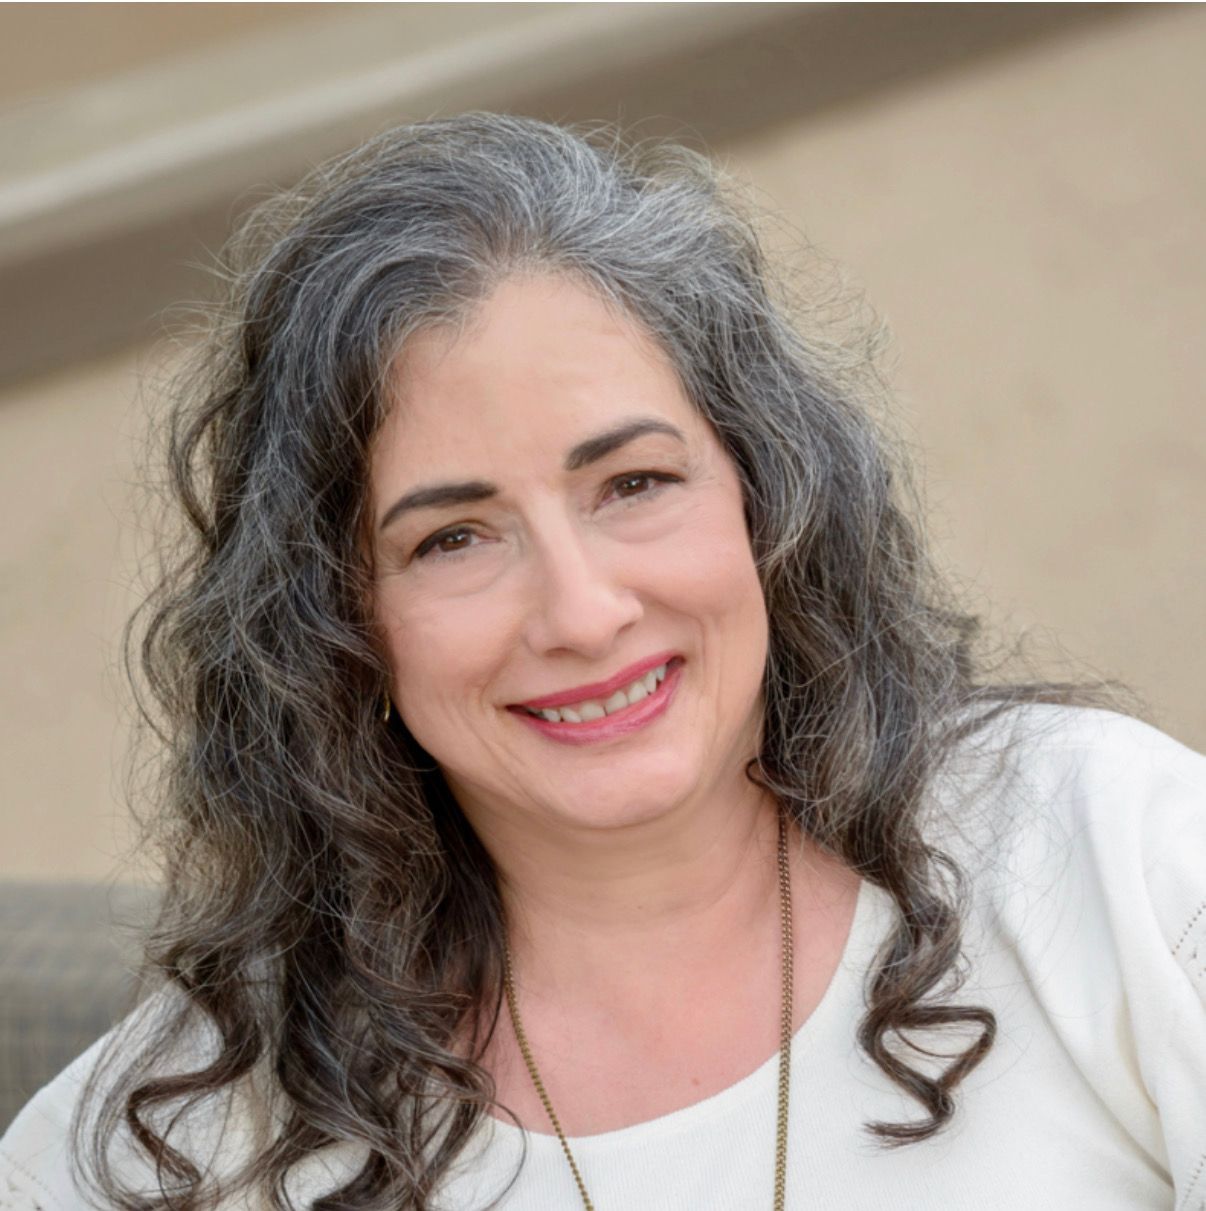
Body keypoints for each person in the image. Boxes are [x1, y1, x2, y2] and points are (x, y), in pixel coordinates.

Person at [1, 113, 1202, 1211]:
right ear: (333, 623)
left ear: (767, 492)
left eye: (633, 483)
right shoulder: (164, 1147)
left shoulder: (1112, 859)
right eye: (453, 537)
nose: (580, 611)